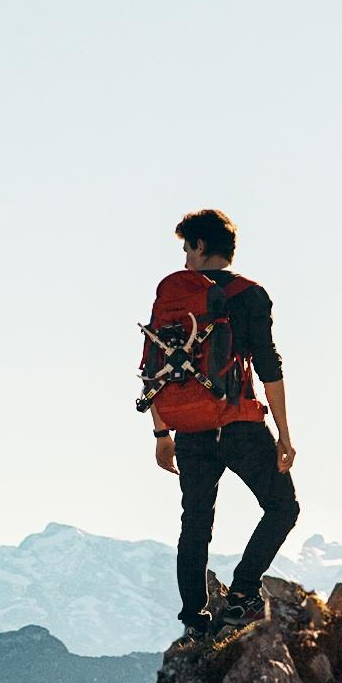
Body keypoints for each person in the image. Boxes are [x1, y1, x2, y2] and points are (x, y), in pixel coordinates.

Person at [138, 207, 299, 637]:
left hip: (190, 429)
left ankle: (194, 620)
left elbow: (155, 367)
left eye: (186, 247)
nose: (184, 258)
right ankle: (242, 596)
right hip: (239, 424)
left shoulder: (174, 300)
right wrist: (283, 433)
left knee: (195, 523)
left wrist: (161, 433)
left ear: (201, 245)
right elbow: (268, 366)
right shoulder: (250, 295)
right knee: (282, 507)